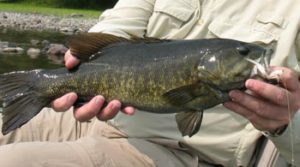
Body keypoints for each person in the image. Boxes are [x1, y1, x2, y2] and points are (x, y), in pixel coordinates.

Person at [0, 0, 300, 166]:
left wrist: (285, 122)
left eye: (244, 53)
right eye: (244, 53)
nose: (252, 57)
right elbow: (115, 27)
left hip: (176, 153)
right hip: (100, 117)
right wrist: (79, 66)